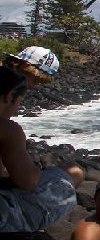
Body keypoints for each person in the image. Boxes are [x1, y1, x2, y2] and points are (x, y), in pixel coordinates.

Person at [0, 66, 83, 231]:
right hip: (4, 216)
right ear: (9, 97)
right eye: (19, 103)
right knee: (73, 173)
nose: (17, 109)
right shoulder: (8, 129)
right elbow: (28, 181)